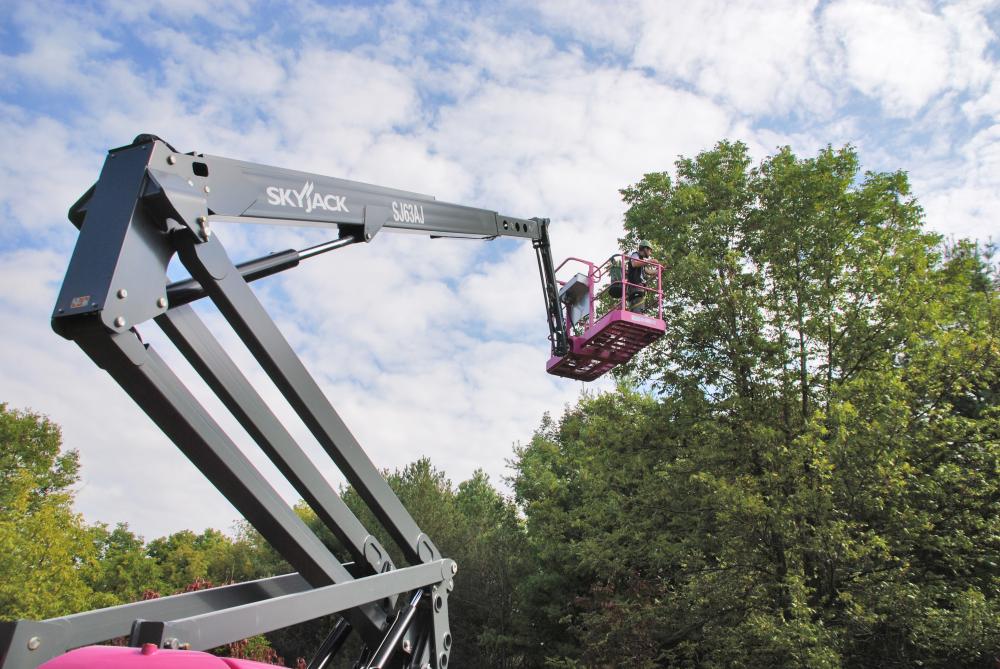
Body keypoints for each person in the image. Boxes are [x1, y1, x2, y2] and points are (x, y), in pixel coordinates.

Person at [608, 240, 656, 311]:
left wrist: (658, 271)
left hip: (638, 286)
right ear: (645, 249)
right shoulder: (635, 255)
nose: (650, 253)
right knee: (637, 307)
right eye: (650, 250)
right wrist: (650, 261)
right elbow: (634, 264)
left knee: (638, 306)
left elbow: (647, 271)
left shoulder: (641, 260)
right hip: (635, 285)